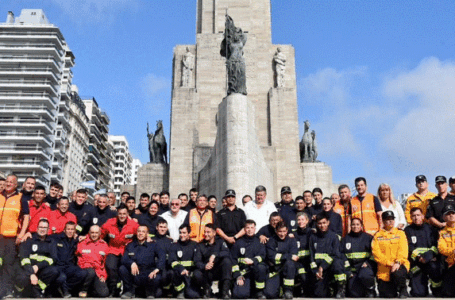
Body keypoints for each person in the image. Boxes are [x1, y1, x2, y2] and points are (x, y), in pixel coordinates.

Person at [0, 174, 30, 298]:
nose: (8, 183)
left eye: (11, 182)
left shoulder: (20, 197)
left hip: (10, 237)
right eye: (7, 181)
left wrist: (22, 234)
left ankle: (6, 291)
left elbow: (26, 217)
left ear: (16, 184)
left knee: (8, 265)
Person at [17, 219, 64, 298]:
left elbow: (53, 259)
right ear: (37, 228)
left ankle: (37, 289)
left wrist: (38, 266)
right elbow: (24, 257)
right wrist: (31, 273)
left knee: (55, 271)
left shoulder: (51, 242)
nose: (42, 229)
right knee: (21, 276)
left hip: (42, 269)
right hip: (29, 268)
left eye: (45, 228)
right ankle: (23, 291)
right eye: (41, 227)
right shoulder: (29, 239)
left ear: (48, 230)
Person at [101, 204, 139, 296]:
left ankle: (128, 290)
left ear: (127, 214)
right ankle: (113, 290)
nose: (122, 216)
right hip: (112, 249)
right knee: (110, 266)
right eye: (120, 214)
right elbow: (100, 234)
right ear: (117, 214)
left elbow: (141, 233)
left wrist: (148, 239)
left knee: (124, 268)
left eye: (124, 214)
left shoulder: (133, 224)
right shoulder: (110, 223)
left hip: (127, 251)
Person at [119, 226, 165, 299]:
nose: (140, 233)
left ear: (147, 234)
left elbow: (162, 257)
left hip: (148, 275)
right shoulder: (130, 245)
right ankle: (128, 291)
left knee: (158, 282)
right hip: (135, 274)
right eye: (139, 231)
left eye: (143, 232)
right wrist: (131, 263)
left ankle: (149, 293)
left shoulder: (153, 245)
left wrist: (157, 269)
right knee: (122, 268)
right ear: (136, 233)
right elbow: (124, 259)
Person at [404, 207, 442, 297]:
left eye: (418, 215)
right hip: (417, 263)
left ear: (422, 216)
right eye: (413, 216)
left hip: (430, 260)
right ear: (410, 217)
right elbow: (409, 247)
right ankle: (415, 285)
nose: (416, 218)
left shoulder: (431, 229)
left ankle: (436, 288)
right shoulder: (407, 230)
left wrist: (427, 257)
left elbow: (435, 246)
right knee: (418, 294)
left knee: (435, 267)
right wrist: (419, 257)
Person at [372, 211, 409, 298]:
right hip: (384, 270)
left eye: (392, 219)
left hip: (399, 265)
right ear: (383, 221)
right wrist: (390, 263)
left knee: (398, 274)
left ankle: (403, 289)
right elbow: (376, 254)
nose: (390, 221)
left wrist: (398, 262)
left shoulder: (400, 233)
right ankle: (393, 288)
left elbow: (403, 250)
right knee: (387, 295)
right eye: (387, 220)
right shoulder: (377, 235)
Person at [309, 214, 346, 298]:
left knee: (338, 263)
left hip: (330, 267)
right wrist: (315, 271)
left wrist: (322, 266)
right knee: (319, 294)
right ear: (316, 224)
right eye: (319, 223)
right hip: (319, 271)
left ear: (328, 222)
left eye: (324, 223)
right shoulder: (313, 237)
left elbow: (335, 254)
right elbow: (311, 256)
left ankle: (340, 289)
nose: (322, 225)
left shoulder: (334, 237)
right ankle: (329, 288)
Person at [193, 224, 232, 299]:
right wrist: (204, 266)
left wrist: (215, 255)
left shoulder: (220, 242)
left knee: (227, 261)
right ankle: (207, 290)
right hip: (207, 272)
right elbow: (197, 261)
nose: (206, 234)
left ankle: (225, 291)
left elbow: (227, 252)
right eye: (205, 232)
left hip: (218, 270)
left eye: (208, 232)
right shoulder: (200, 245)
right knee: (196, 274)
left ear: (214, 233)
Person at [231, 220, 267, 299]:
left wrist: (253, 261)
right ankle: (248, 289)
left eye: (252, 227)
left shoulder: (259, 242)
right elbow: (233, 260)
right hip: (243, 273)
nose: (250, 230)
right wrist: (238, 275)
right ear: (244, 229)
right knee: (239, 295)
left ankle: (259, 292)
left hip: (255, 272)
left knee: (261, 267)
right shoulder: (238, 243)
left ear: (255, 229)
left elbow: (262, 256)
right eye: (247, 228)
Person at [51, 221, 88, 297]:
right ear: (64, 230)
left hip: (69, 266)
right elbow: (46, 236)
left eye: (72, 229)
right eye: (68, 229)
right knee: (62, 277)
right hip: (58, 266)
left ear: (75, 231)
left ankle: (65, 288)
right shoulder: (57, 238)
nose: (70, 231)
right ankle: (63, 291)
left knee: (82, 273)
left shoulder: (75, 240)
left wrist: (85, 237)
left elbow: (88, 237)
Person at [340, 218, 375, 298]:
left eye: (357, 224)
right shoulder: (346, 239)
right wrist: (348, 269)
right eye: (353, 224)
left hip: (365, 268)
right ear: (350, 226)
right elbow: (341, 254)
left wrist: (368, 263)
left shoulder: (368, 238)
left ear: (361, 226)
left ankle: (370, 290)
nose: (355, 226)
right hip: (352, 271)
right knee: (354, 294)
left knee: (365, 274)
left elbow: (374, 254)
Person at [264, 221, 298, 299]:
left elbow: (294, 255)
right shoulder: (271, 241)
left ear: (287, 231)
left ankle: (288, 290)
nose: (282, 234)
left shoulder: (292, 240)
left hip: (287, 269)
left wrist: (280, 257)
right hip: (275, 269)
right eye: (280, 231)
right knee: (270, 294)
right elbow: (271, 256)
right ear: (276, 231)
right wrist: (288, 256)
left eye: (284, 231)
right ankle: (279, 290)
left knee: (290, 264)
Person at [76, 225, 110, 298]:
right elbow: (76, 258)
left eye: (96, 233)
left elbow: (104, 263)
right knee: (90, 272)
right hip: (84, 271)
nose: (94, 235)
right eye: (92, 232)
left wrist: (103, 275)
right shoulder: (82, 242)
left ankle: (90, 291)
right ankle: (83, 289)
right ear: (89, 233)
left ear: (100, 233)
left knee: (104, 293)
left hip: (97, 272)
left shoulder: (104, 245)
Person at [169, 224, 200, 299]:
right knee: (172, 272)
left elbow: (197, 261)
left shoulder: (195, 245)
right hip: (179, 274)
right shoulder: (174, 245)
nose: (181, 235)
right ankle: (180, 292)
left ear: (189, 233)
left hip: (189, 274)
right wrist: (181, 269)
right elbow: (172, 261)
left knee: (193, 295)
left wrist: (190, 272)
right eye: (180, 233)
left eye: (184, 233)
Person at [153, 219, 174, 297]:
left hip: (167, 268)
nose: (162, 229)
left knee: (171, 273)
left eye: (164, 227)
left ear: (167, 228)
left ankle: (168, 289)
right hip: (155, 268)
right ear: (157, 227)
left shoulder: (171, 241)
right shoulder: (152, 240)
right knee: (158, 294)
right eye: (160, 227)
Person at [438, 204, 455, 297]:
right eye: (448, 214)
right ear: (444, 217)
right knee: (448, 293)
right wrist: (453, 252)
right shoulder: (442, 233)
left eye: (453, 213)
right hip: (451, 264)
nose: (451, 215)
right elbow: (441, 248)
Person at [294, 212, 312, 296]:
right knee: (303, 277)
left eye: (303, 219)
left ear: (307, 221)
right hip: (298, 262)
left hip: (309, 261)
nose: (300, 221)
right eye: (299, 219)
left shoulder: (312, 233)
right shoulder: (293, 234)